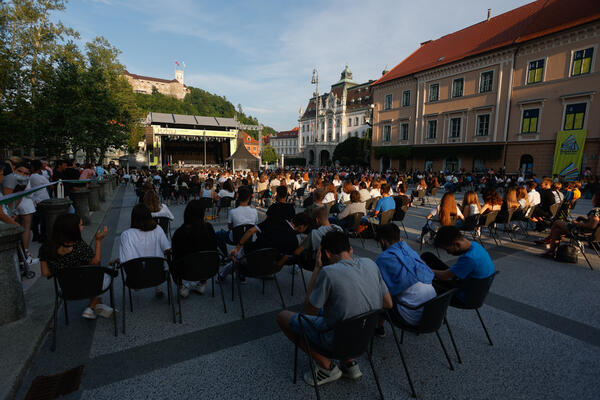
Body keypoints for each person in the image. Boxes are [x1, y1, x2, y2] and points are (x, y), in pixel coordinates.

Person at [276, 231, 392, 387]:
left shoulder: (328, 272)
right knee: (345, 312)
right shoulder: (371, 263)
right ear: (350, 250)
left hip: (336, 341)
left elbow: (310, 311)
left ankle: (327, 367)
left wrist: (317, 268)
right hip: (364, 338)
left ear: (327, 253)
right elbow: (388, 304)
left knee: (283, 316)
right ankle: (349, 364)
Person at [39, 213, 112, 319]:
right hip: (86, 287)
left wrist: (62, 268)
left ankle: (97, 304)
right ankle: (91, 307)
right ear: (73, 229)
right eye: (80, 225)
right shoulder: (78, 246)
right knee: (105, 272)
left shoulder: (46, 247)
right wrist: (99, 241)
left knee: (94, 272)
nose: (82, 228)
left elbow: (45, 273)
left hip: (67, 290)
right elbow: (95, 261)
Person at [375, 224, 436, 335]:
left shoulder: (383, 258)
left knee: (377, 293)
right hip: (432, 312)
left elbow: (381, 289)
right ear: (399, 238)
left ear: (382, 241)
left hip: (412, 315)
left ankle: (378, 328)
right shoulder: (409, 250)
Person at [421, 226, 495, 302]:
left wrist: (426, 269)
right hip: (473, 286)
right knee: (428, 256)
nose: (448, 253)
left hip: (466, 296)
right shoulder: (475, 245)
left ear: (457, 244)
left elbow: (445, 276)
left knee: (422, 282)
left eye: (447, 249)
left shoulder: (470, 258)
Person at [118, 204, 171, 298]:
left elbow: (126, 260)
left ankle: (140, 283)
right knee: (156, 259)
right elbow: (167, 250)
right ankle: (158, 287)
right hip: (158, 276)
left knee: (134, 263)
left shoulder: (126, 235)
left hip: (136, 279)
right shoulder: (158, 229)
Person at [171, 200, 218, 297]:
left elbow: (175, 255)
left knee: (172, 260)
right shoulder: (209, 228)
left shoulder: (179, 233)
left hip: (185, 271)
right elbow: (214, 248)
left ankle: (181, 288)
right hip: (208, 268)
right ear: (202, 213)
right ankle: (202, 283)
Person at [535, 193, 600, 257]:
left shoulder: (596, 210)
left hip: (582, 232)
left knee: (557, 222)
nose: (592, 199)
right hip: (590, 233)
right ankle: (551, 251)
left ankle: (549, 239)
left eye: (593, 197)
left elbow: (592, 225)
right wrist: (582, 219)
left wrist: (577, 223)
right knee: (557, 230)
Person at [2, 161, 38, 264]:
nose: (22, 175)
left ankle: (24, 256)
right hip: (6, 212)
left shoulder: (24, 181)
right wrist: (9, 215)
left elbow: (18, 197)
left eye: (26, 173)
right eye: (20, 171)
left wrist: (12, 212)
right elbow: (7, 200)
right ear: (14, 169)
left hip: (13, 210)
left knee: (22, 230)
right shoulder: (10, 178)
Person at [216, 187, 258, 256]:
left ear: (238, 197)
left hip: (234, 238)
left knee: (219, 234)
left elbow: (229, 227)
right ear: (249, 198)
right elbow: (253, 225)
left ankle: (225, 255)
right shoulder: (254, 211)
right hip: (248, 239)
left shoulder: (233, 212)